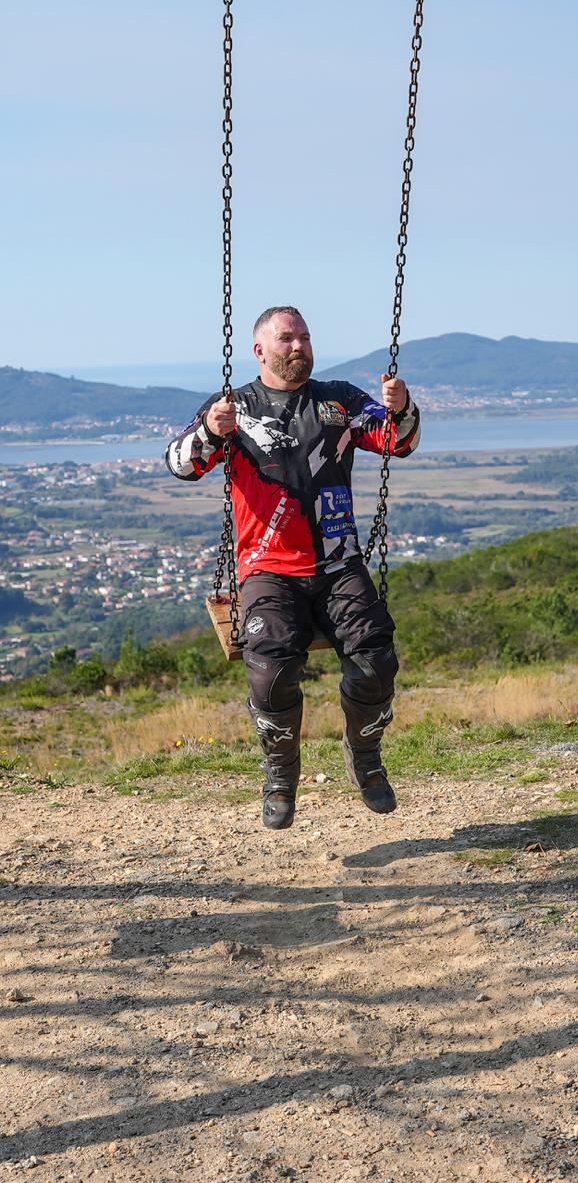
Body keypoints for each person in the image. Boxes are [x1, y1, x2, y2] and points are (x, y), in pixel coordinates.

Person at [166, 306, 421, 829]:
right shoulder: (234, 408)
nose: (298, 346)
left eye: (304, 336)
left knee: (376, 659)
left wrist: (402, 407)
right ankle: (281, 772)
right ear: (259, 349)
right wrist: (213, 434)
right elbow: (180, 463)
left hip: (338, 561)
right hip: (268, 569)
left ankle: (365, 756)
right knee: (273, 670)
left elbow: (400, 441)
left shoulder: (341, 401)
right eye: (286, 338)